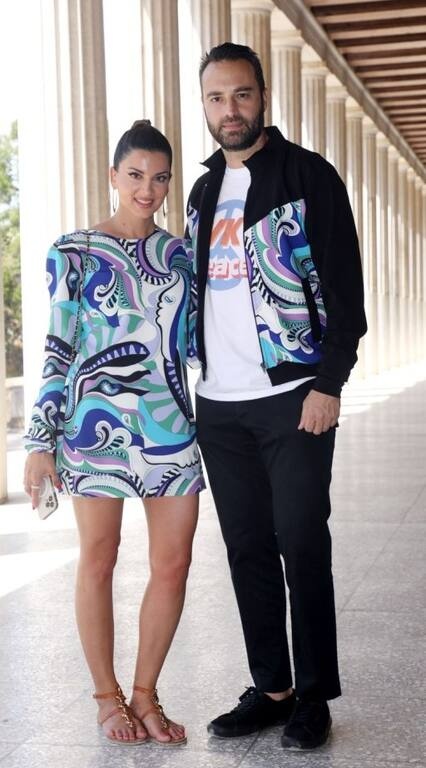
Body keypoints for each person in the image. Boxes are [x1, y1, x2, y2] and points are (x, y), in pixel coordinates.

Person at [185, 43, 367, 751]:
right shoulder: (201, 192)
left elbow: (345, 290)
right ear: (205, 106)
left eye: (241, 94)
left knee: (302, 541)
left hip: (293, 396)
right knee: (246, 549)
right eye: (216, 97)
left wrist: (329, 381)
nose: (229, 110)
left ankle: (313, 696)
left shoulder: (308, 176)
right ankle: (272, 689)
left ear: (263, 96)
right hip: (219, 404)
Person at [24, 120, 205, 747]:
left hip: (171, 427)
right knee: (99, 558)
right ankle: (107, 697)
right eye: (135, 175)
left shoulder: (181, 256)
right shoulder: (72, 251)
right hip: (92, 429)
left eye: (159, 177)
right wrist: (39, 441)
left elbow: (195, 343)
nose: (147, 189)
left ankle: (146, 694)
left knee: (174, 563)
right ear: (113, 176)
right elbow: (59, 346)